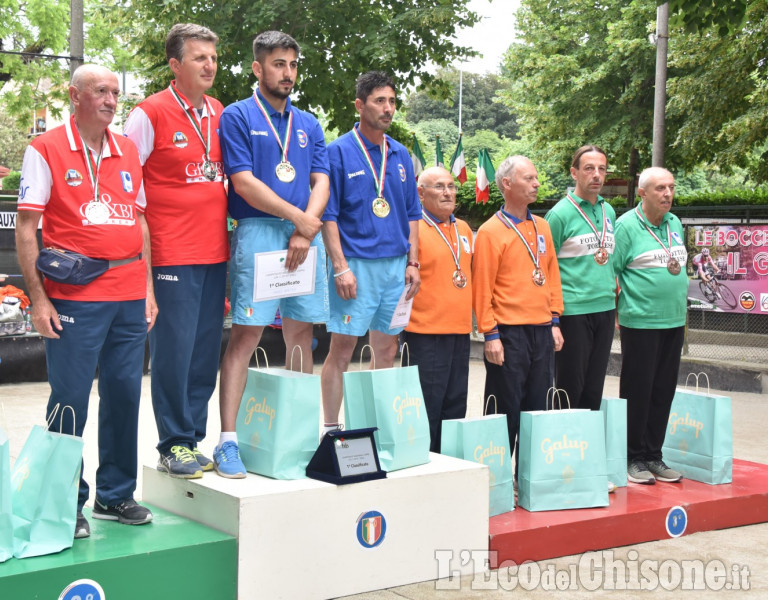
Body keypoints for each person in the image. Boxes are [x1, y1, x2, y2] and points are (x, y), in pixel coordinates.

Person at [15, 65, 156, 539]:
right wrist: (39, 300)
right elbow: (27, 229)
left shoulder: (129, 149)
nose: (112, 100)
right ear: (75, 96)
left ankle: (115, 496)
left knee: (124, 395)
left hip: (129, 293)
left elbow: (139, 225)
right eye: (101, 91)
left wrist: (149, 291)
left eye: (117, 92)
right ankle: (62, 501)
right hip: (75, 295)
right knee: (70, 400)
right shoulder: (45, 148)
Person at [214, 31, 330, 477]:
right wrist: (298, 221)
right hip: (260, 231)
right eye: (279, 64)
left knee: (301, 333)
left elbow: (321, 181)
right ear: (258, 68)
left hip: (305, 232)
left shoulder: (309, 123)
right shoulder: (238, 116)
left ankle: (297, 431)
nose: (288, 73)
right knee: (246, 335)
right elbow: (242, 182)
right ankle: (228, 441)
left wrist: (305, 227)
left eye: (293, 64)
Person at [124, 23, 229, 479]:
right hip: (170, 252)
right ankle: (173, 442)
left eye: (213, 57)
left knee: (206, 350)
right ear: (174, 65)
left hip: (214, 251)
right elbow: (126, 186)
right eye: (199, 58)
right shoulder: (148, 114)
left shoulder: (220, 111)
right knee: (174, 349)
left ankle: (193, 437)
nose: (209, 65)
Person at [320, 71, 421, 434]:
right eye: (380, 101)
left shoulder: (400, 154)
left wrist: (413, 261)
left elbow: (412, 214)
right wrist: (340, 267)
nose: (388, 108)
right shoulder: (337, 152)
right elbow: (328, 216)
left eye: (392, 101)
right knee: (342, 351)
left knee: (387, 350)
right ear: (360, 105)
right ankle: (331, 430)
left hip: (396, 268)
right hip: (356, 267)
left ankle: (376, 426)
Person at [472, 156, 563, 459]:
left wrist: (555, 320)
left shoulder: (543, 227)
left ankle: (529, 476)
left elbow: (551, 275)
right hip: (507, 333)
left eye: (536, 178)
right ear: (507, 184)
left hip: (541, 331)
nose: (536, 183)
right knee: (505, 406)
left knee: (538, 408)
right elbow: (482, 286)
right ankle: (496, 474)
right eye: (528, 178)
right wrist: (490, 334)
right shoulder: (489, 231)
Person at [613, 167, 687, 485]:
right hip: (640, 321)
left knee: (663, 391)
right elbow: (611, 272)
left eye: (671, 187)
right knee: (638, 390)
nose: (667, 194)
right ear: (643, 193)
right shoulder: (626, 226)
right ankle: (633, 457)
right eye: (659, 188)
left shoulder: (674, 223)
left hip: (674, 320)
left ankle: (653, 455)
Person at [402, 166, 473, 452]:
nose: (448, 192)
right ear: (420, 193)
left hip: (460, 331)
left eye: (452, 186)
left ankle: (451, 468)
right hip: (424, 333)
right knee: (425, 408)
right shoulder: (412, 227)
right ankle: (423, 470)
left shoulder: (464, 228)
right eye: (439, 187)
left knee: (456, 406)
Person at [545, 145, 616, 411]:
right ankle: (563, 447)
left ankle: (585, 449)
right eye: (589, 169)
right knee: (568, 388)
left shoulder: (609, 211)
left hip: (605, 309)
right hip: (573, 311)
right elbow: (546, 267)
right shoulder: (559, 215)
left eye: (602, 169)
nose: (596, 175)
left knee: (594, 387)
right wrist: (553, 317)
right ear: (574, 173)